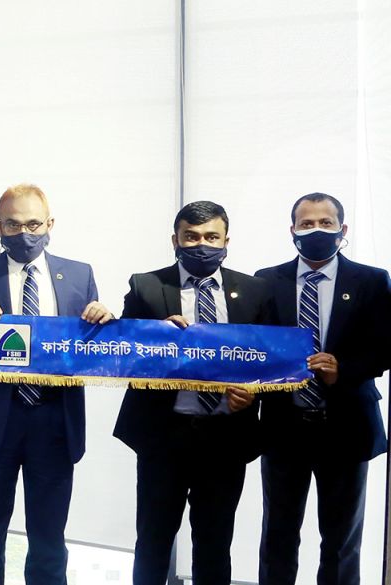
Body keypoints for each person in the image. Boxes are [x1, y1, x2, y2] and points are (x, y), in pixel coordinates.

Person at [0, 184, 113, 585]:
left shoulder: (79, 274)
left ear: (50, 224)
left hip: (55, 423)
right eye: (13, 224)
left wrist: (104, 319)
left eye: (34, 224)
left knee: (49, 540)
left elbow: (91, 347)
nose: (25, 232)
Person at [113, 200, 276, 585]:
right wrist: (156, 335)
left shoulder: (255, 291)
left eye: (211, 237)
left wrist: (254, 394)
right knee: (152, 541)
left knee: (215, 545)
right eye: (191, 236)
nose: (202, 244)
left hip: (226, 438)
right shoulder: (146, 286)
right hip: (162, 437)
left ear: (226, 241)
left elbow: (271, 360)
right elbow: (123, 353)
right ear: (176, 240)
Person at [254, 192, 391, 584]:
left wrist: (342, 371)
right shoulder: (266, 280)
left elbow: (385, 347)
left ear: (342, 230)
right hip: (283, 426)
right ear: (293, 230)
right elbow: (254, 348)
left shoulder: (372, 280)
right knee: (278, 534)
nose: (316, 230)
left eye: (325, 223)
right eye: (307, 223)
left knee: (341, 539)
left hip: (347, 425)